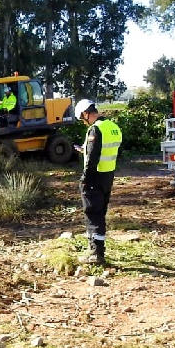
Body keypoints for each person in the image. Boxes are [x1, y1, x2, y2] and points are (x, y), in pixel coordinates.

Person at [72, 99, 122, 265]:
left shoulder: (96, 129)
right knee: (100, 213)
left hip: (95, 176)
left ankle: (96, 254)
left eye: (82, 119)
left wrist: (85, 178)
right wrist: (84, 150)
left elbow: (93, 157)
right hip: (108, 175)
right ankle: (99, 250)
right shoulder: (113, 127)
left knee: (92, 213)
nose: (83, 122)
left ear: (86, 113)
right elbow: (107, 150)